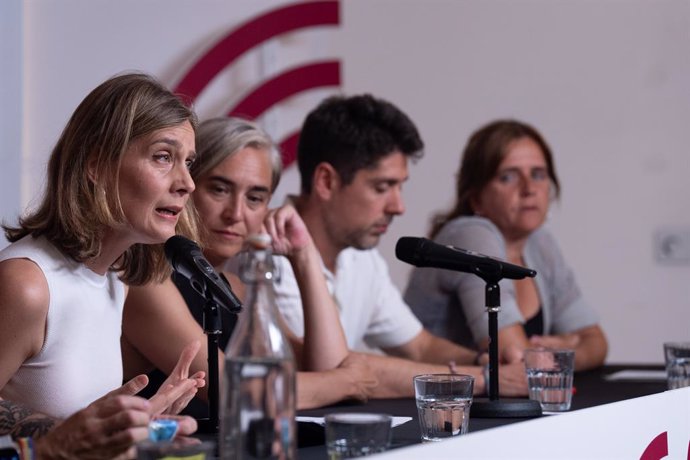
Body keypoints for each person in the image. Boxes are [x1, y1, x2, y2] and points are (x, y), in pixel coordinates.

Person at [0, 72, 206, 459]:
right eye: (163, 157)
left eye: (188, 162)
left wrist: (131, 424)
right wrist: (56, 436)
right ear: (96, 165)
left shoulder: (116, 278)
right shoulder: (26, 283)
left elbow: (81, 432)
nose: (187, 183)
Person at [272, 94, 528, 397]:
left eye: (400, 186)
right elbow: (334, 370)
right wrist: (484, 378)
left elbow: (419, 346)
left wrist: (485, 360)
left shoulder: (362, 258)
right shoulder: (268, 256)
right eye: (382, 187)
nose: (399, 206)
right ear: (326, 181)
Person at [122, 116, 377, 413]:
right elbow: (233, 390)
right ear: (188, 185)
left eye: (255, 198)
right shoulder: (144, 278)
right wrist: (348, 381)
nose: (236, 213)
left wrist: (305, 255)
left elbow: (327, 366)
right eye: (219, 189)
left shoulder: (238, 288)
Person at [404, 119, 608, 371]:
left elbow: (597, 343)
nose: (529, 188)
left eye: (538, 174)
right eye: (508, 177)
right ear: (477, 198)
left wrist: (555, 357)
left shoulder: (540, 242)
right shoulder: (470, 235)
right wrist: (568, 348)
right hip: (441, 402)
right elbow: (514, 357)